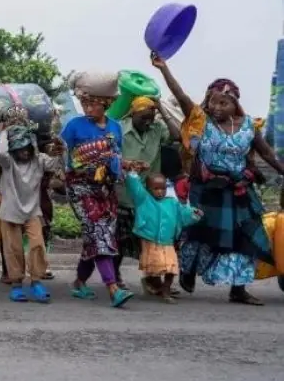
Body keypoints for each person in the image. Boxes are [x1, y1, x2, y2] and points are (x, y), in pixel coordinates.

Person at [153, 53, 284, 305]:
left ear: (235, 104)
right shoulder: (201, 122)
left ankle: (238, 289)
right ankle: (188, 271)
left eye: (224, 103)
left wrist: (282, 170)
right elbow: (181, 97)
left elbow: (267, 153)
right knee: (198, 233)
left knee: (245, 236)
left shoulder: (248, 126)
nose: (217, 107)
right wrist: (163, 68)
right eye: (213, 102)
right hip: (207, 189)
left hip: (238, 190)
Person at [61, 89, 134, 308]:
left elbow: (117, 157)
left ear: (105, 104)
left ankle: (79, 282)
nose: (88, 108)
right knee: (100, 233)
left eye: (92, 104)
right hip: (80, 188)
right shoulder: (74, 126)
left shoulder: (115, 127)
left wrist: (128, 165)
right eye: (84, 104)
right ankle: (113, 289)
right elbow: (61, 153)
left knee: (96, 236)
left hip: (106, 189)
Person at [114, 96, 180, 291]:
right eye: (143, 117)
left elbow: (176, 135)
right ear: (132, 113)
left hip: (150, 195)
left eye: (151, 117)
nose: (148, 121)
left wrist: (161, 109)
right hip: (124, 192)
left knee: (153, 240)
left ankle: (152, 278)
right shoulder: (119, 129)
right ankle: (115, 276)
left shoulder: (157, 128)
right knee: (121, 239)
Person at [0, 124, 63, 303]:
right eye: (20, 149)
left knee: (37, 244)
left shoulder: (39, 160)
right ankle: (16, 285)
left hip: (32, 211)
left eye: (27, 148)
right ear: (14, 149)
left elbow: (56, 163)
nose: (24, 152)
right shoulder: (8, 162)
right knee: (13, 248)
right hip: (10, 211)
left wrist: (61, 149)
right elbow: (0, 153)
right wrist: (4, 132)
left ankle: (36, 281)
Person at [124, 166, 203, 303]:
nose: (160, 191)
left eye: (163, 188)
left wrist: (193, 214)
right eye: (156, 188)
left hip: (167, 241)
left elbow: (183, 213)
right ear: (148, 189)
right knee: (154, 267)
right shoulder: (144, 199)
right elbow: (135, 188)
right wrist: (133, 174)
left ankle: (165, 290)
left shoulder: (172, 202)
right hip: (150, 239)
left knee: (171, 267)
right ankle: (152, 283)